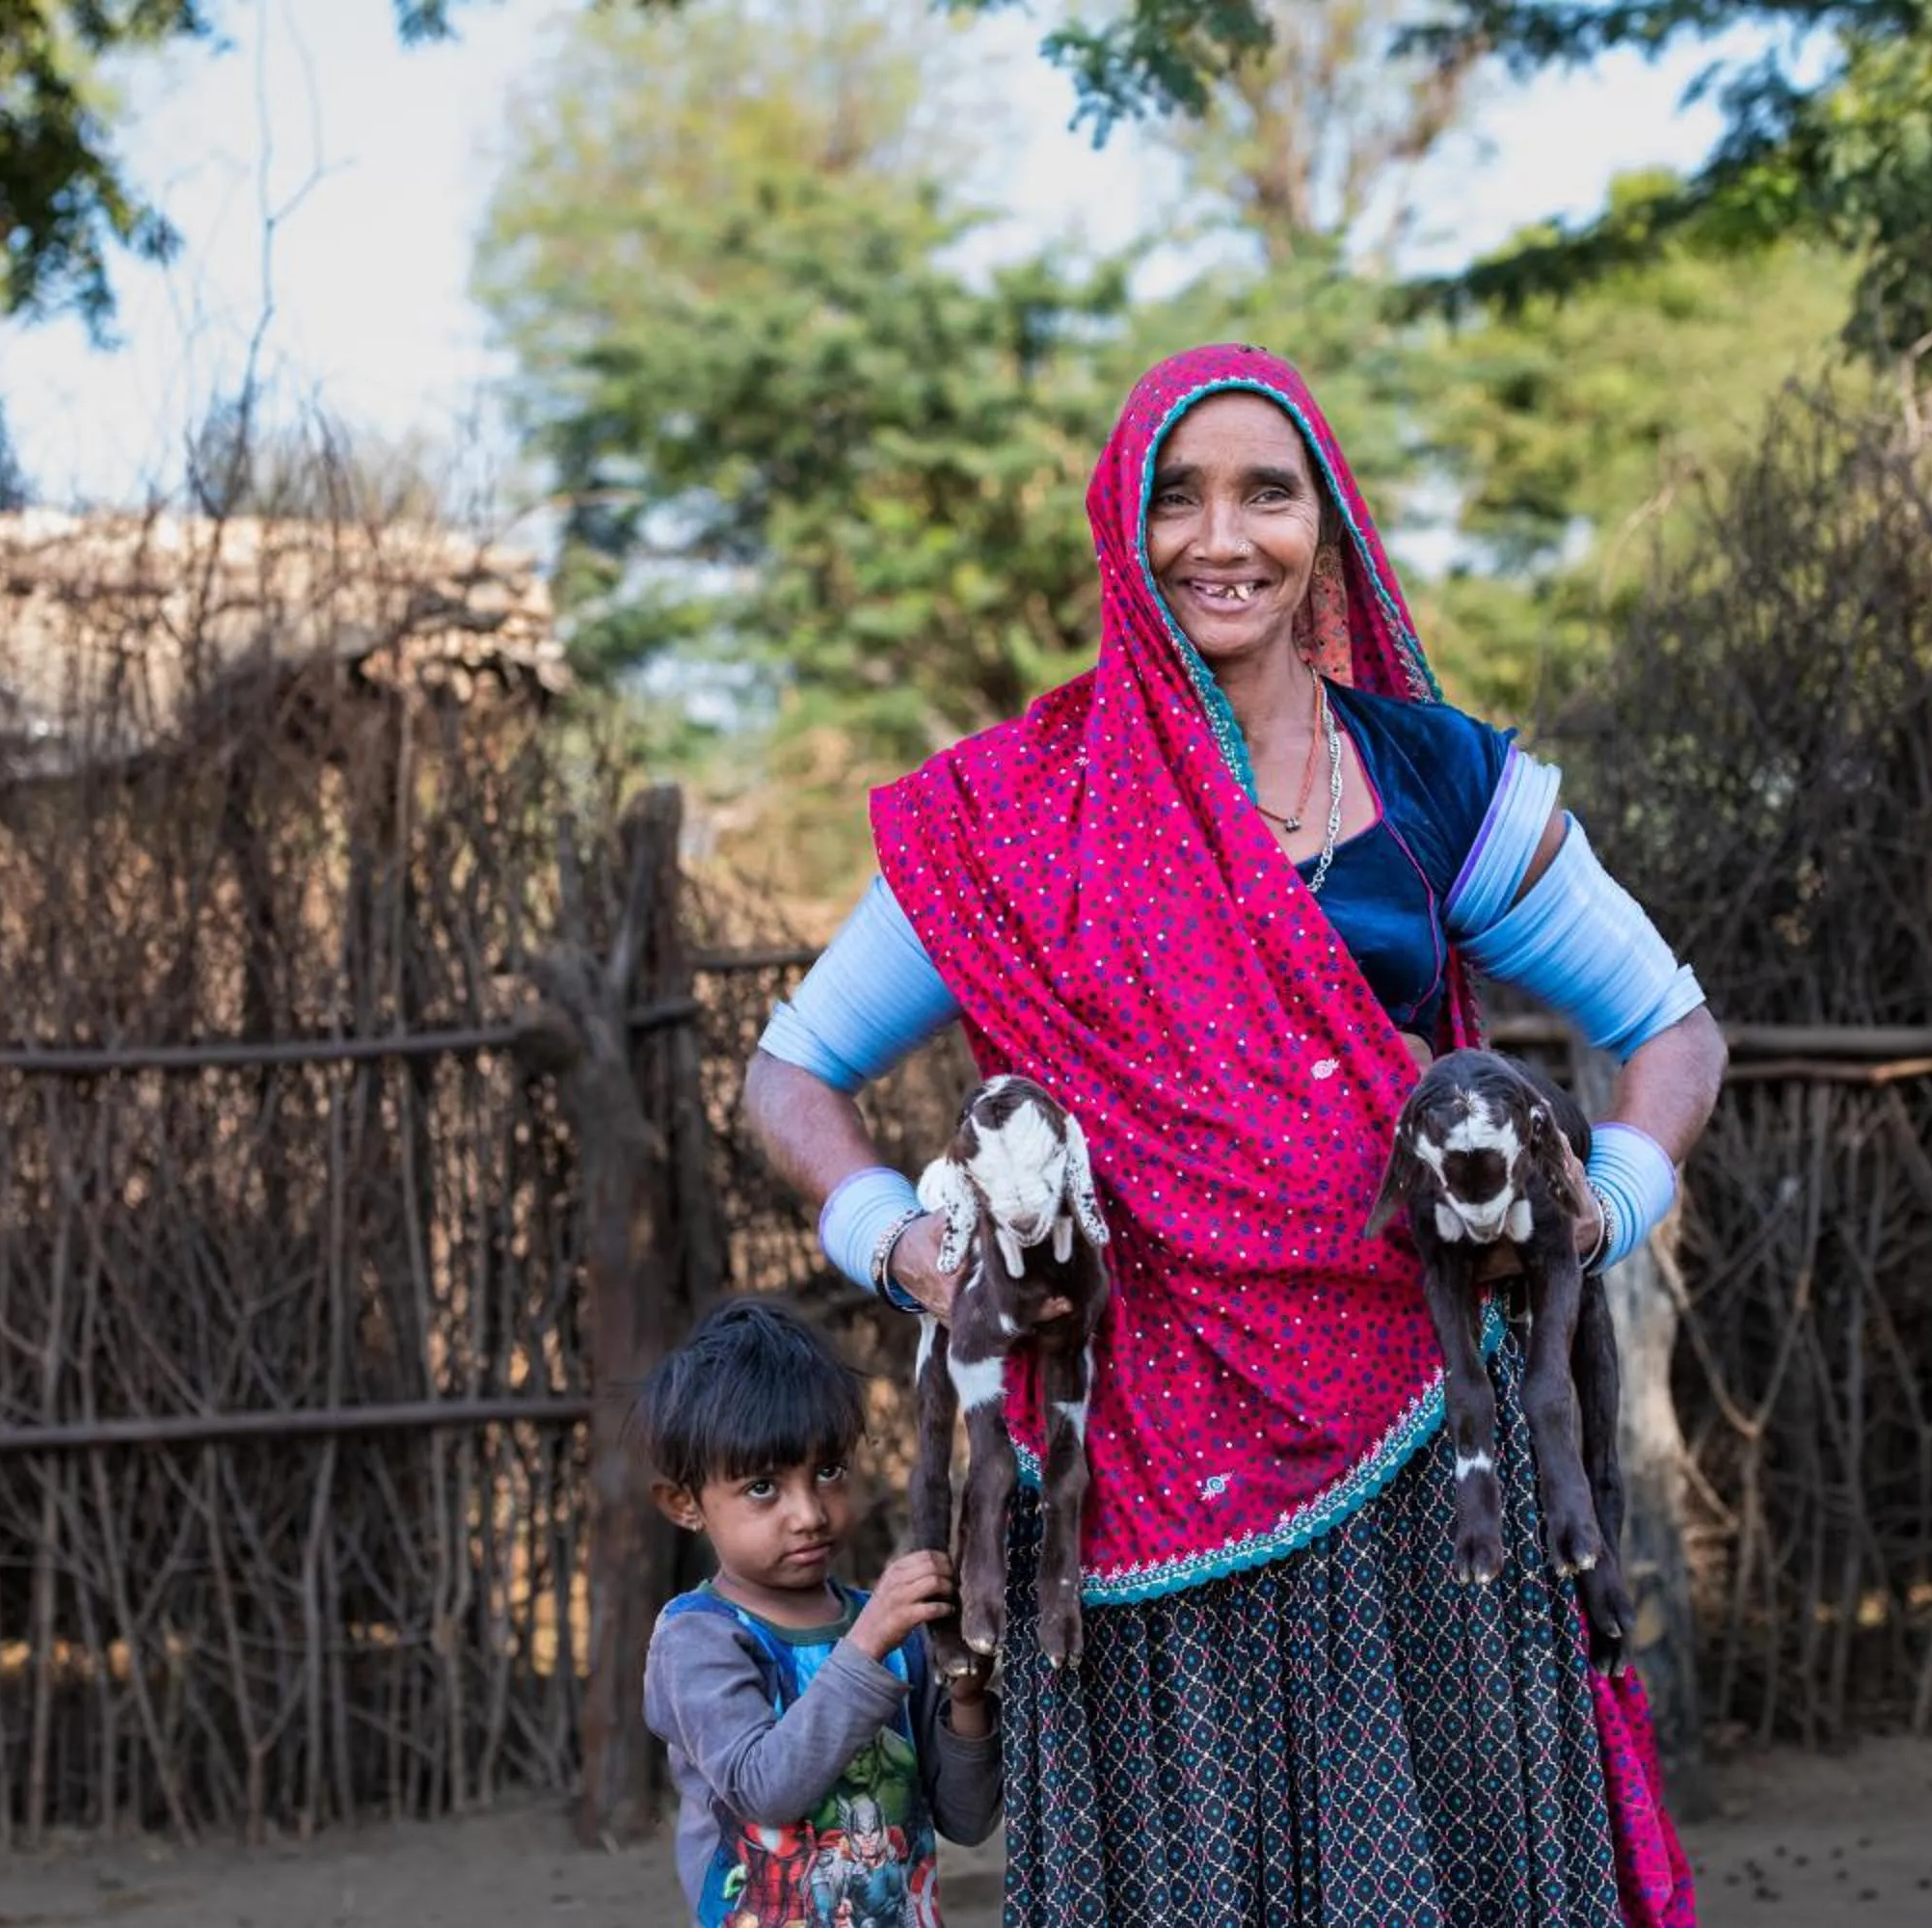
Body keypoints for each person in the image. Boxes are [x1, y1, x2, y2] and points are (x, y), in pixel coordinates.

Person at [740, 345, 1726, 1927]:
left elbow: (1671, 1027)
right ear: (1124, 533)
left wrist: (1601, 1206)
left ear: (1324, 527)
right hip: (1134, 1494)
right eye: (1177, 496)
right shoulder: (1019, 810)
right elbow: (788, 1076)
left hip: (1431, 1462)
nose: (1225, 537)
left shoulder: (1430, 778)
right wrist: (918, 1258)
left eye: (1268, 493)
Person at [640, 1296, 1004, 1927]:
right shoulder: (698, 1639)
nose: (808, 1513)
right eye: (763, 1488)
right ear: (685, 1505)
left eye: (829, 1471)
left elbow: (966, 1822)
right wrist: (864, 1647)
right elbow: (764, 1789)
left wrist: (968, 1700)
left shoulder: (890, 1628)